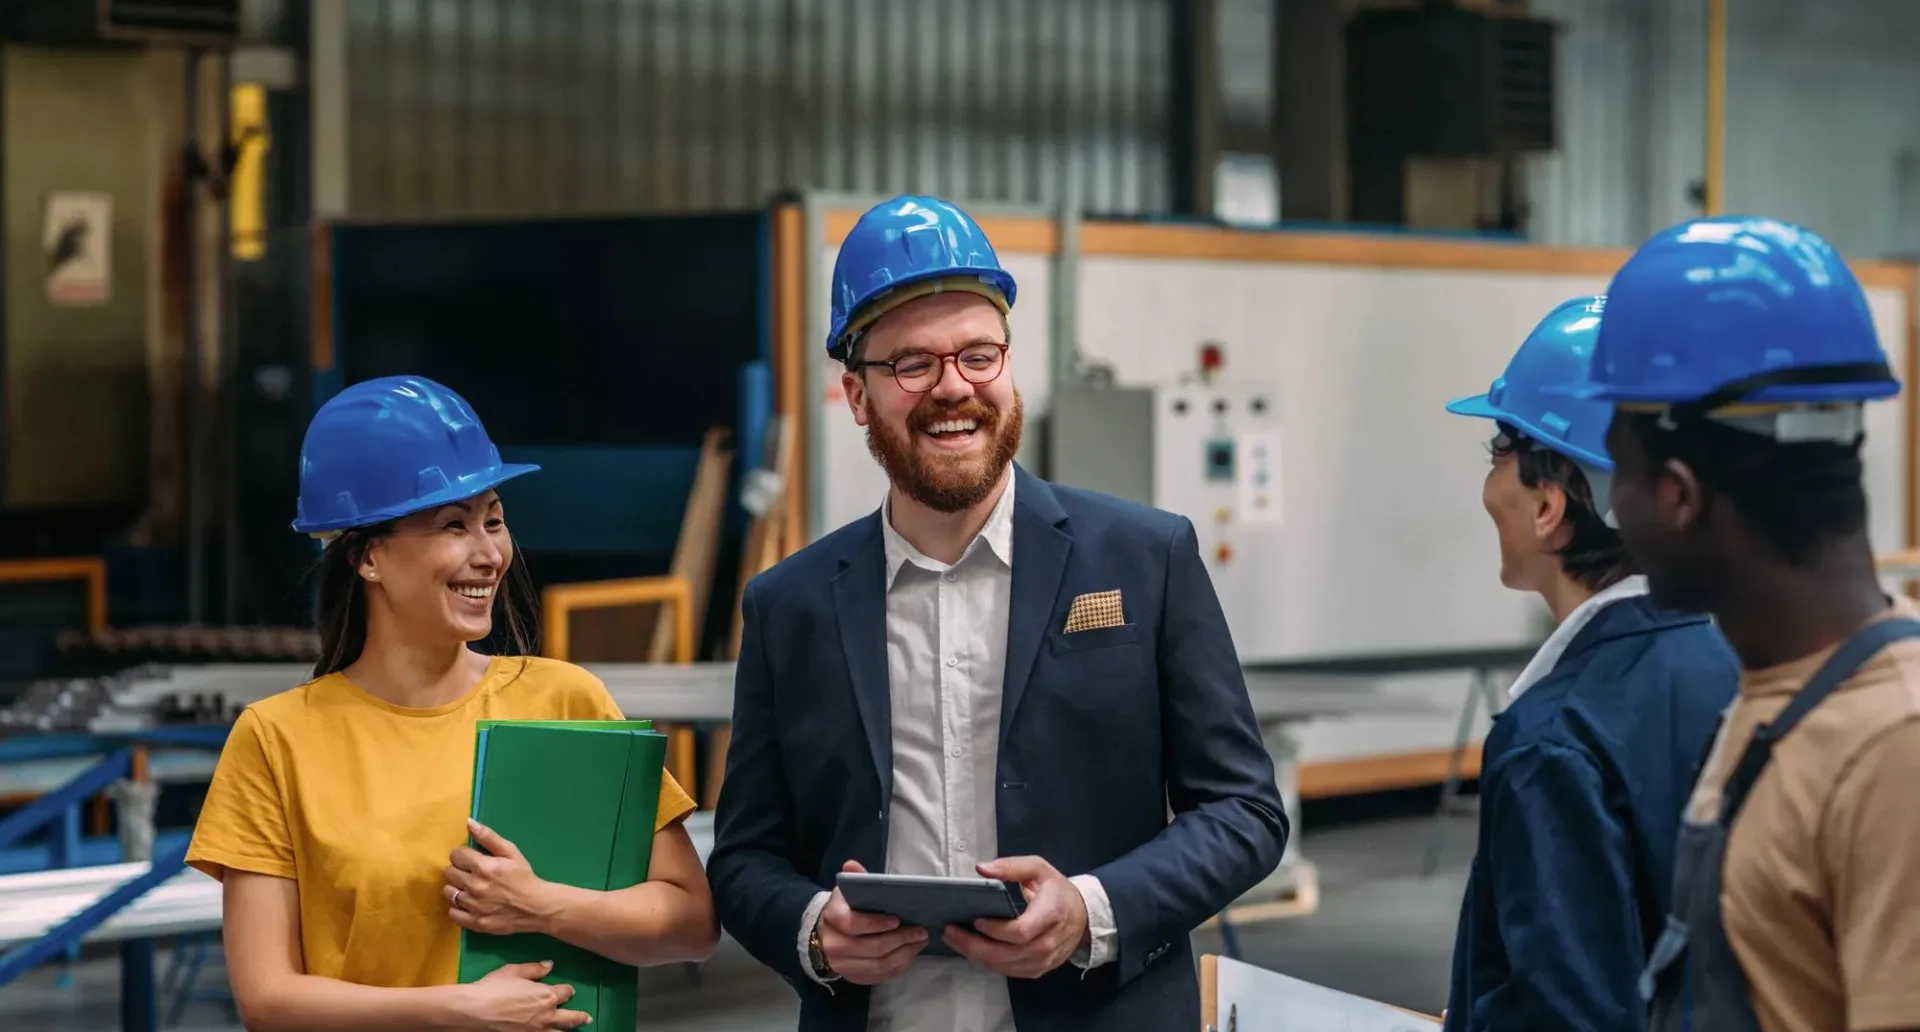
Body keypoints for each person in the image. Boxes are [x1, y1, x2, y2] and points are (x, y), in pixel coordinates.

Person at [707, 194, 1288, 1032]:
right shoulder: (788, 606)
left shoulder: (1144, 559)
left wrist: (1093, 909)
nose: (954, 388)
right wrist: (813, 931)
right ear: (857, 395)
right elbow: (748, 857)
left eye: (979, 355)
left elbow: (1244, 811)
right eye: (912, 364)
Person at [186, 376, 719, 1032]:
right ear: (369, 556)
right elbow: (268, 999)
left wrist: (541, 906)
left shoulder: (564, 700)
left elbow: (691, 923)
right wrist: (457, 1010)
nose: (489, 554)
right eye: (452, 525)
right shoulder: (277, 739)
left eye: (493, 520)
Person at [1562, 216, 1920, 1032]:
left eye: (1622, 477)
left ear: (1679, 497)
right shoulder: (1775, 692)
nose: (1614, 511)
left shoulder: (1894, 747)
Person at [1438, 296, 1739, 1032]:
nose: (1489, 483)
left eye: (1500, 450)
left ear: (1548, 505)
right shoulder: (1735, 671)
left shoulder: (1552, 739)